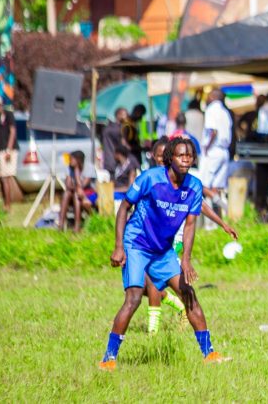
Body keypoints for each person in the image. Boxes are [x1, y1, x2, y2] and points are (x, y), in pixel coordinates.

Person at [99, 137, 231, 369]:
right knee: (134, 299)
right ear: (170, 158)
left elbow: (190, 226)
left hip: (163, 250)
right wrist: (119, 246)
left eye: (189, 155)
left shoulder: (194, 186)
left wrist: (186, 261)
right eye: (181, 155)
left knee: (188, 294)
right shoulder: (150, 179)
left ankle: (209, 354)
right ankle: (108, 359)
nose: (186, 159)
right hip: (137, 244)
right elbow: (124, 208)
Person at [143, 138, 237, 335]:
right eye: (159, 157)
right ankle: (179, 307)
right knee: (143, 285)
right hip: (150, 240)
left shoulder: (185, 180)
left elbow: (201, 203)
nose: (162, 160)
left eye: (164, 157)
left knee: (152, 282)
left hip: (173, 239)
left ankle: (152, 333)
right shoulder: (152, 179)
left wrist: (222, 224)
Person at [200, 89, 233, 219]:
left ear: (213, 97)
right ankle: (220, 218)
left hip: (213, 150)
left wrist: (207, 148)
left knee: (203, 186)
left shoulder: (211, 110)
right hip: (225, 151)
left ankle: (222, 212)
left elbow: (213, 131)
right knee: (216, 188)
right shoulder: (225, 112)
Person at [0, 92, 21, 209]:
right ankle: (5, 202)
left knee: (6, 177)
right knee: (1, 177)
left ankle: (8, 204)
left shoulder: (8, 114)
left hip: (8, 151)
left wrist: (8, 150)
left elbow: (12, 132)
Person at [60, 151, 95, 233]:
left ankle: (77, 225)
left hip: (90, 194)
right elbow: (68, 185)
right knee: (66, 194)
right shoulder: (69, 167)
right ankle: (61, 224)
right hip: (77, 192)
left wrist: (76, 171)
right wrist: (74, 187)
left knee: (76, 194)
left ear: (78, 160)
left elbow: (83, 185)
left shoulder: (89, 167)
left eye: (72, 159)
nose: (70, 161)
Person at [102, 108, 128, 178]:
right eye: (125, 115)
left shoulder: (109, 127)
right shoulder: (116, 129)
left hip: (109, 161)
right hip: (114, 161)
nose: (127, 117)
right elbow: (123, 144)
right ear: (118, 115)